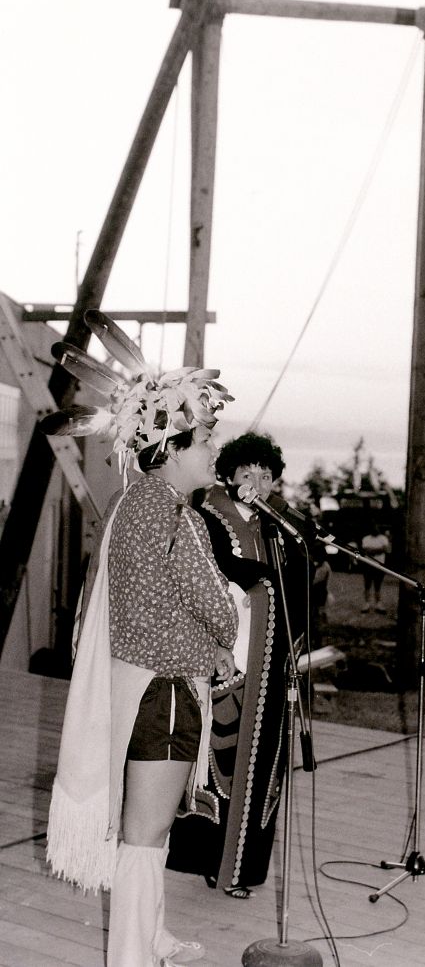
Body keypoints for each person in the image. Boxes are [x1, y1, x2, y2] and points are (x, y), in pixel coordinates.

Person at [44, 311, 238, 967]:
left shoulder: (141, 504)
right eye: (207, 436)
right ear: (175, 445)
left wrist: (208, 631)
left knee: (148, 833)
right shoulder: (171, 514)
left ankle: (149, 936)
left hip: (150, 687)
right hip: (166, 693)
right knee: (144, 835)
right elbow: (219, 610)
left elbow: (164, 607)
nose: (216, 449)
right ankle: (128, 956)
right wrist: (222, 626)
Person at [167, 432, 312, 899]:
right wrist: (267, 581)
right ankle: (208, 860)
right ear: (228, 475)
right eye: (247, 472)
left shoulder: (279, 528)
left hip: (272, 664)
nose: (257, 481)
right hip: (228, 658)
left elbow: (303, 583)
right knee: (221, 762)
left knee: (264, 767)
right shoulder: (205, 518)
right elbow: (221, 570)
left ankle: (245, 868)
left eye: (266, 475)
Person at [359, 522, 391, 613]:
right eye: (373, 527)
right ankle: (366, 604)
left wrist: (372, 550)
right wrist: (378, 550)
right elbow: (366, 550)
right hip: (368, 564)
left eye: (376, 527)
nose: (375, 529)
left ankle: (378, 604)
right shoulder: (366, 538)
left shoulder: (383, 538)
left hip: (379, 565)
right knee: (367, 585)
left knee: (378, 585)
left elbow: (385, 549)